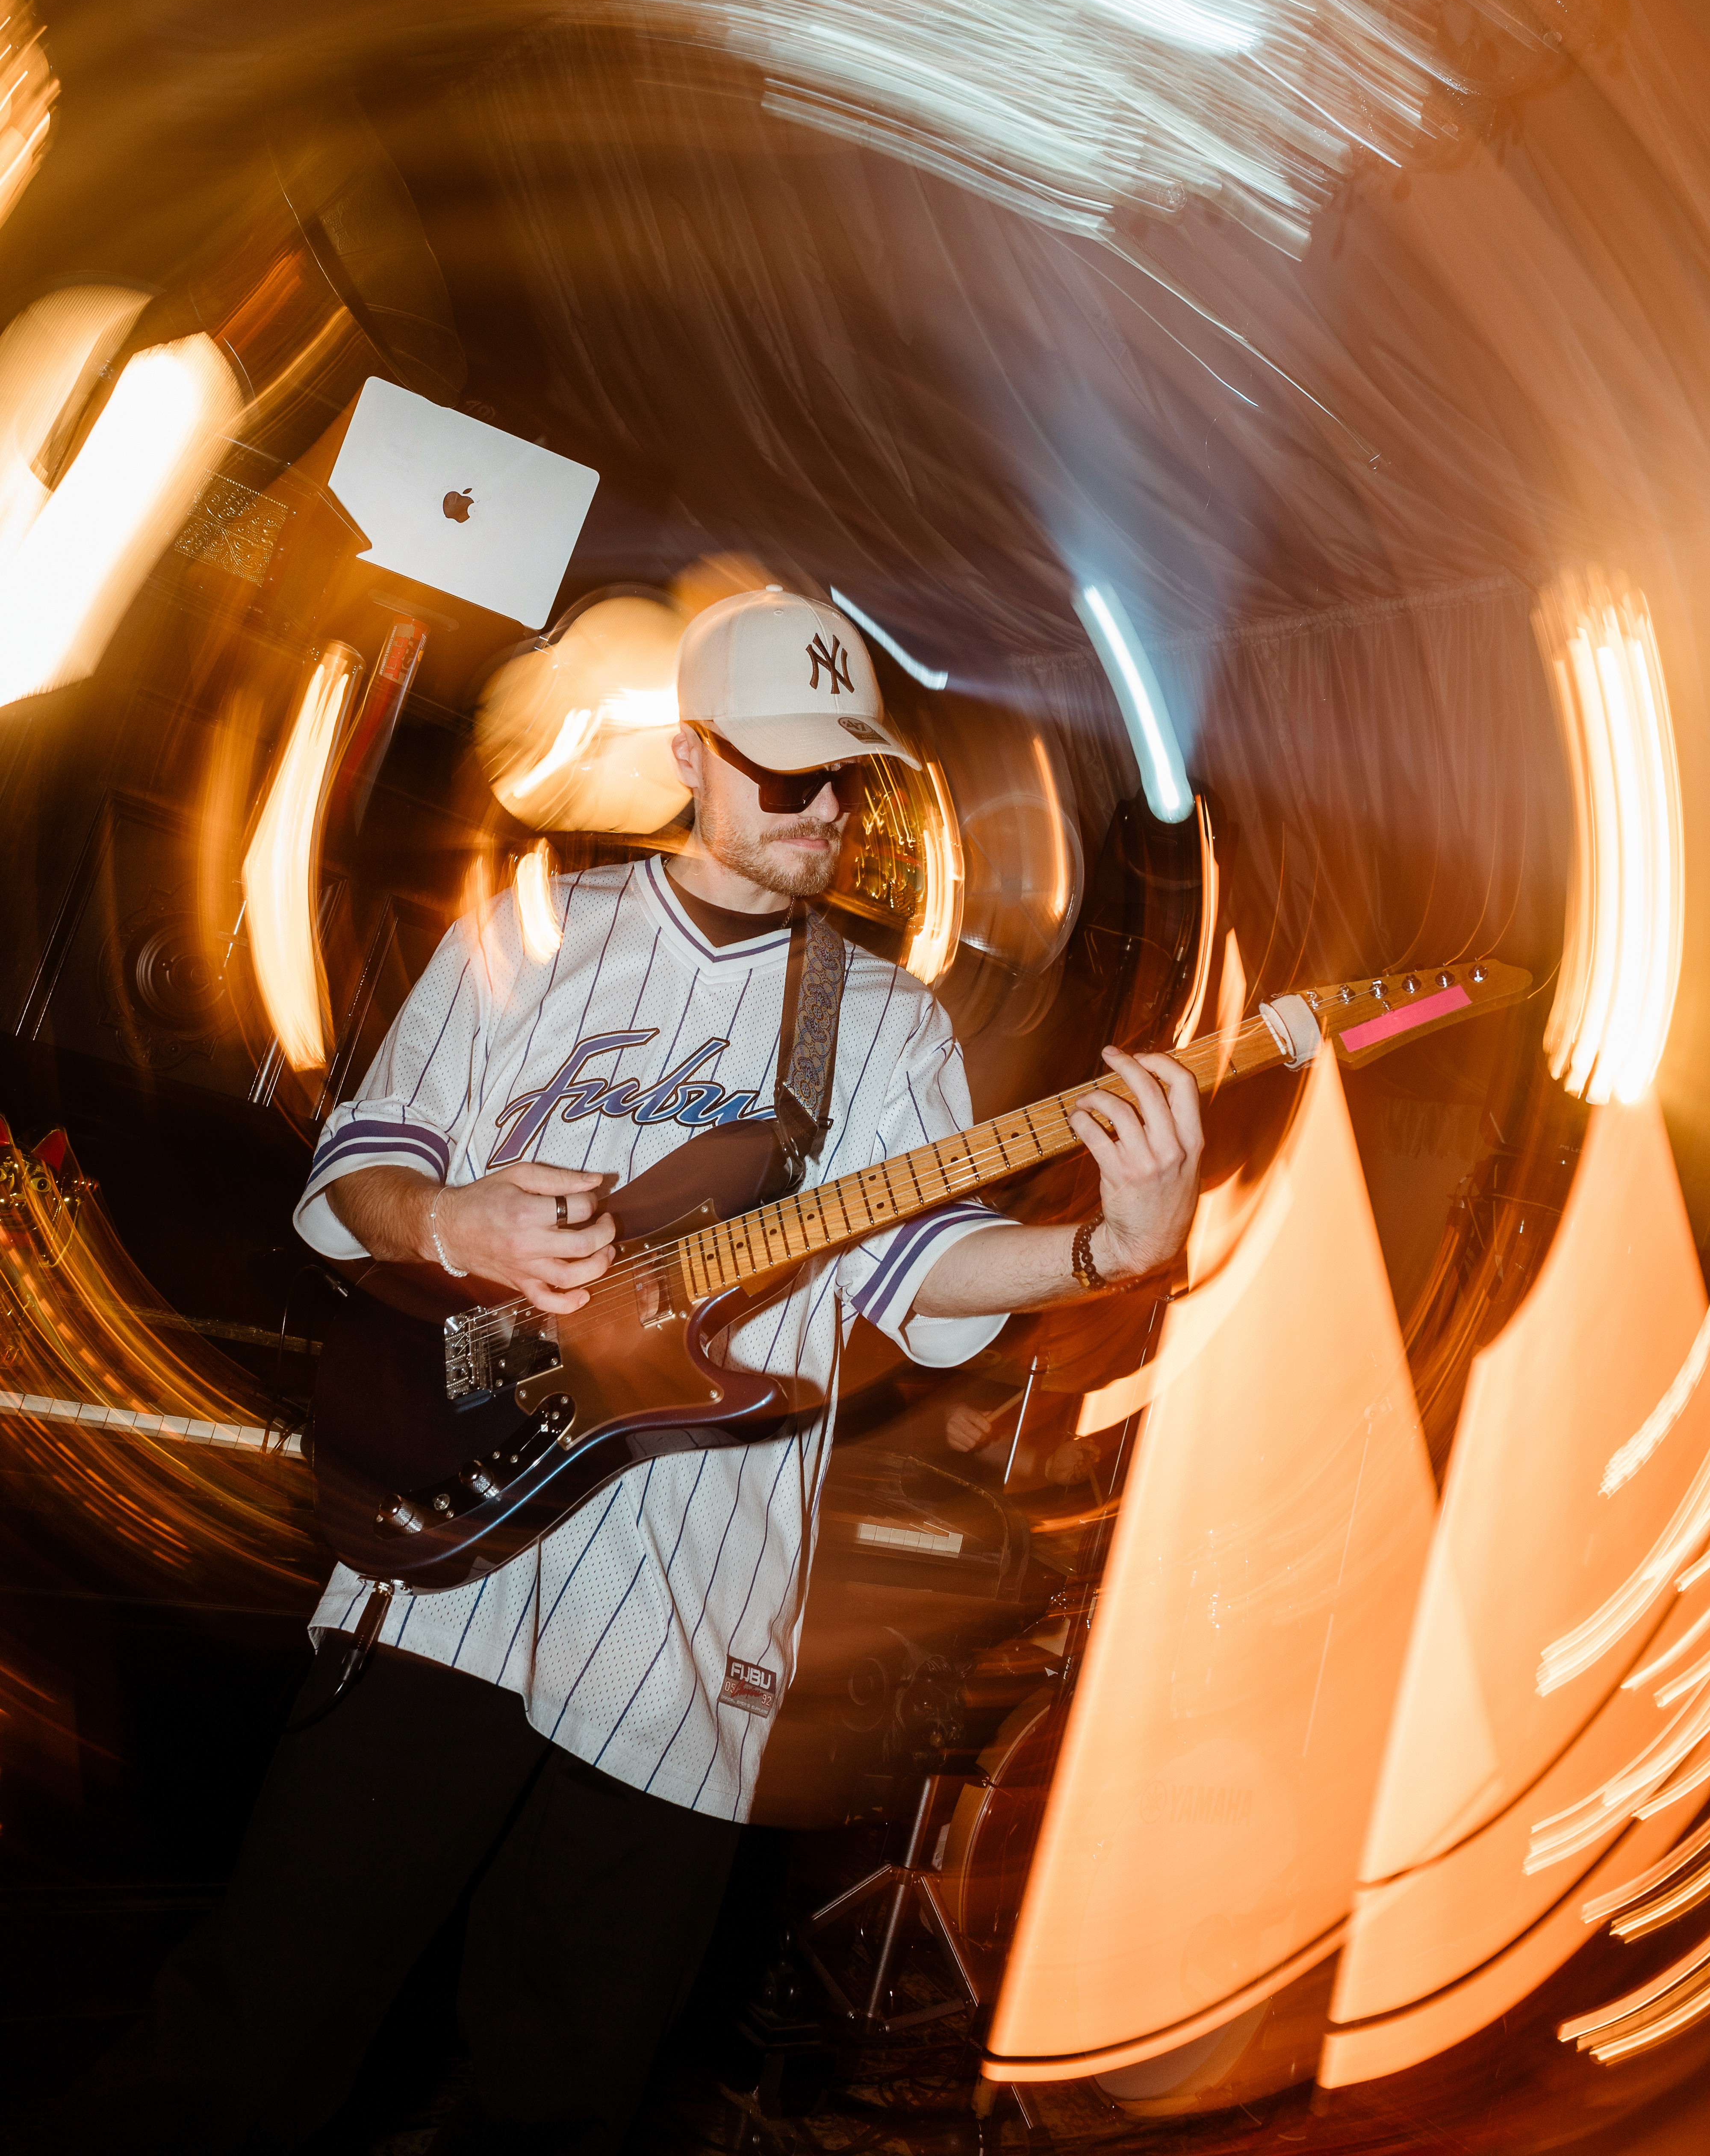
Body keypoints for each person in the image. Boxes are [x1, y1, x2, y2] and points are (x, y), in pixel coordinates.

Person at [41, 587, 1202, 2156]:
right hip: (447, 1573)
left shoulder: (880, 1021)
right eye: (783, 774)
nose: (826, 811)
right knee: (260, 2031)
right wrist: (455, 1216)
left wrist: (1104, 1254)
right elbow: (357, 1177)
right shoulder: (532, 942)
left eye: (846, 775)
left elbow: (916, 1272)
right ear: (690, 759)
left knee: (565, 2096)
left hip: (690, 1626)